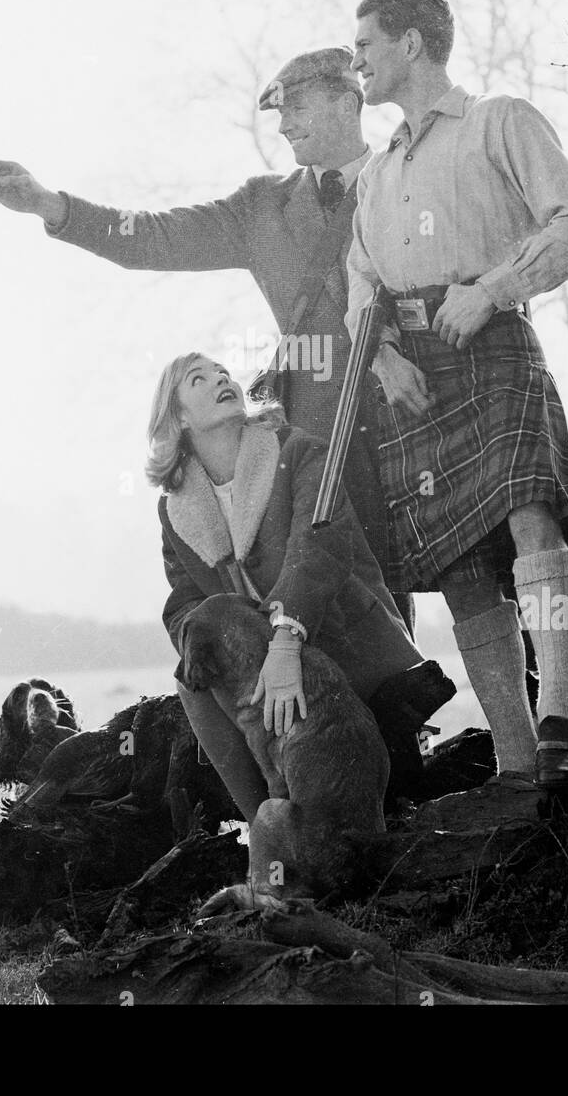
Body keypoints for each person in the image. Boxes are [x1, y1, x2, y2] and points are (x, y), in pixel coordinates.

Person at [0, 47, 411, 627]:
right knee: (348, 591)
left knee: (473, 574)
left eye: (296, 106)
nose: (284, 125)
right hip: (321, 428)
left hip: (413, 403)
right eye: (278, 113)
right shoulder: (261, 208)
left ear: (348, 100)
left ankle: (545, 710)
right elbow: (154, 238)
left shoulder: (407, 178)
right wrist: (49, 206)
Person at [345, 0, 568, 790]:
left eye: (366, 44)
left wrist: (494, 290)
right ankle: (513, 763)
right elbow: (360, 280)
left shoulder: (499, 122)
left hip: (493, 339)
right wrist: (382, 357)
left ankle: (561, 719)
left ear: (410, 43)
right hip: (415, 377)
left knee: (532, 516)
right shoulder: (376, 173)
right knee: (464, 567)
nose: (357, 59)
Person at [146, 351, 446, 822]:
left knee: (389, 807)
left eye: (222, 371)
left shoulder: (297, 449)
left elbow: (319, 545)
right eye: (198, 379)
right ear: (178, 416)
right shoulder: (174, 508)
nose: (221, 378)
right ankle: (267, 825)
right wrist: (202, 644)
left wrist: (284, 641)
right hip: (256, 661)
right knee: (191, 684)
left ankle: (313, 817)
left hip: (340, 634)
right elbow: (183, 601)